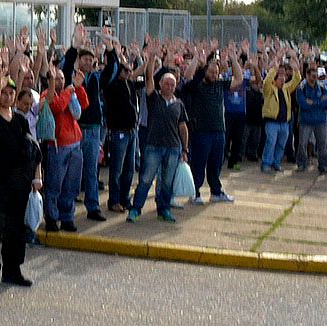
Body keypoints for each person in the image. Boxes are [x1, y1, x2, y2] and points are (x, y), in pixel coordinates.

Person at [0, 54, 41, 287]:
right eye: (4, 92)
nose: (8, 95)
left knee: (15, 229)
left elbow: (33, 150)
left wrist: (37, 176)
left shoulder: (20, 120)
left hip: (19, 183)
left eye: (10, 92)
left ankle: (12, 270)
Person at [128, 57, 190, 223]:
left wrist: (185, 149)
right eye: (166, 83)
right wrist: (152, 58)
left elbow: (183, 127)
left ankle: (164, 209)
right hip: (153, 147)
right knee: (146, 180)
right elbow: (148, 79)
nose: (169, 87)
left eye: (172, 84)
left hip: (173, 148)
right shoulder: (153, 97)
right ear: (160, 84)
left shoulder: (179, 104)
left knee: (167, 183)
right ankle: (135, 209)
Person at [184, 46, 241, 204]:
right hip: (201, 132)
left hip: (218, 131)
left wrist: (234, 59)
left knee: (216, 164)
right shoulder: (197, 86)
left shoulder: (220, 84)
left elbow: (239, 79)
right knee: (198, 164)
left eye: (216, 73)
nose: (214, 75)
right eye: (211, 72)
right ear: (205, 71)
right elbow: (187, 76)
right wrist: (197, 60)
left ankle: (216, 192)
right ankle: (194, 192)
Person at [60, 26, 106, 221]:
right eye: (84, 59)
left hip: (93, 130)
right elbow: (65, 67)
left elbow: (112, 70)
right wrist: (74, 47)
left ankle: (93, 206)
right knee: (73, 173)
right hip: (76, 130)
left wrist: (110, 50)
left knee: (91, 171)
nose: (88, 62)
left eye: (90, 59)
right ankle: (67, 211)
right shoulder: (72, 77)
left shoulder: (95, 77)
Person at [100, 37, 145, 212]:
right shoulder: (111, 84)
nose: (127, 72)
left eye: (128, 70)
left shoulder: (129, 83)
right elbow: (115, 67)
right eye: (124, 69)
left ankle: (125, 198)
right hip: (119, 132)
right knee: (116, 170)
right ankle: (114, 200)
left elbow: (143, 75)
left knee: (129, 169)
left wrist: (143, 60)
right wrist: (115, 52)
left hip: (131, 131)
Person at [42, 66, 88, 232]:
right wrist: (69, 91)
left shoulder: (69, 93)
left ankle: (67, 217)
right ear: (50, 81)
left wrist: (78, 87)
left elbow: (84, 104)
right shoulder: (47, 95)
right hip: (57, 146)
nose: (61, 81)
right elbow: (57, 107)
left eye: (62, 78)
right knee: (54, 185)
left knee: (72, 185)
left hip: (75, 144)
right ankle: (52, 218)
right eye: (56, 79)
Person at [260, 56, 302, 174]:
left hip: (284, 123)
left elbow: (296, 80)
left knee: (281, 144)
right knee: (271, 143)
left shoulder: (286, 89)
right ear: (275, 79)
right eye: (280, 78)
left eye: (284, 77)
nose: (283, 79)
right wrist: (274, 68)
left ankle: (276, 163)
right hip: (272, 122)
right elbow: (266, 81)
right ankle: (266, 164)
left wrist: (296, 69)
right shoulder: (269, 89)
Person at [295, 62, 327, 174]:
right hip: (306, 121)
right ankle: (302, 164)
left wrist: (313, 102)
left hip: (320, 121)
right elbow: (303, 104)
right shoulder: (301, 87)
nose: (314, 79)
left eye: (315, 77)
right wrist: (319, 102)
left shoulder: (322, 87)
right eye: (312, 77)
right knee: (302, 144)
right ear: (307, 76)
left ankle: (323, 165)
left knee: (322, 144)